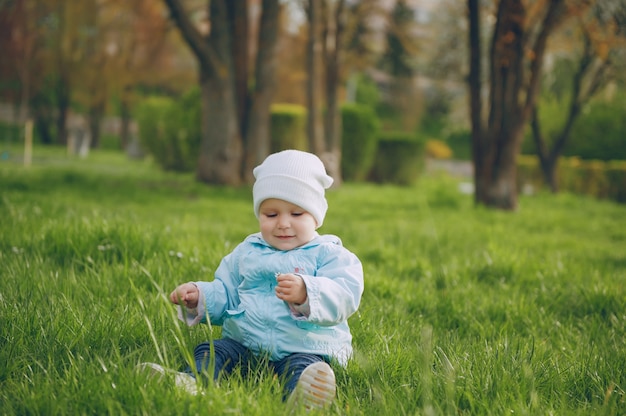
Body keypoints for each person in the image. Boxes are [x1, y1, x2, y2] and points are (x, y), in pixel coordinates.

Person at [142, 149, 364, 410]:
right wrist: (199, 296)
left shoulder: (329, 254)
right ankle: (190, 382)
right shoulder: (246, 252)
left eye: (296, 214)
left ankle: (304, 395)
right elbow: (227, 292)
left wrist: (308, 292)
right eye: (271, 214)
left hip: (304, 345)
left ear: (316, 216)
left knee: (303, 366)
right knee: (213, 350)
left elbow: (345, 294)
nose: (283, 223)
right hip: (246, 344)